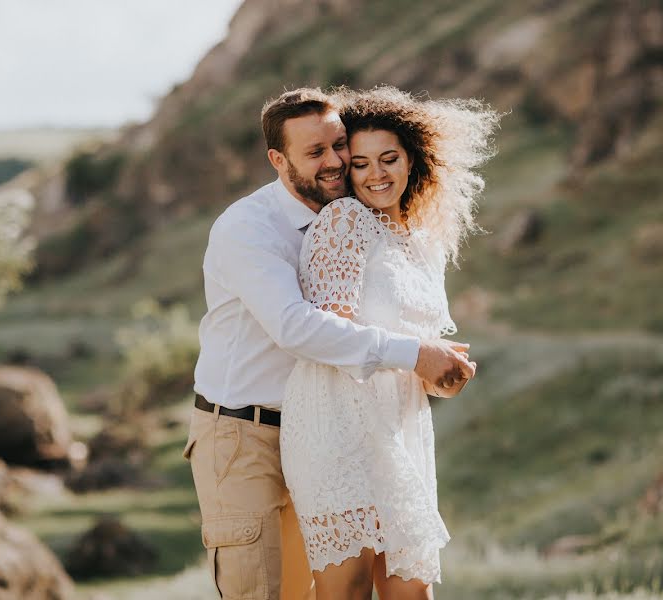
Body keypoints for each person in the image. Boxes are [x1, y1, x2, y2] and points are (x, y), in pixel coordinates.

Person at [183, 87, 476, 600]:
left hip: (332, 425)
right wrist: (418, 355)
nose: (338, 162)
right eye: (316, 152)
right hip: (242, 431)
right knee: (266, 593)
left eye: (339, 145)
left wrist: (434, 369)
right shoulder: (249, 228)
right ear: (279, 159)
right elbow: (297, 328)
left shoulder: (360, 217)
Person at [280, 86, 499, 600]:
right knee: (348, 591)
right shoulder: (345, 221)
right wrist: (420, 357)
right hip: (337, 427)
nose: (376, 174)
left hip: (402, 428)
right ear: (347, 173)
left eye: (389, 159)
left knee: (412, 590)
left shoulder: (423, 242)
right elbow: (328, 337)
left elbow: (419, 358)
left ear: (412, 160)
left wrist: (443, 375)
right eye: (360, 164)